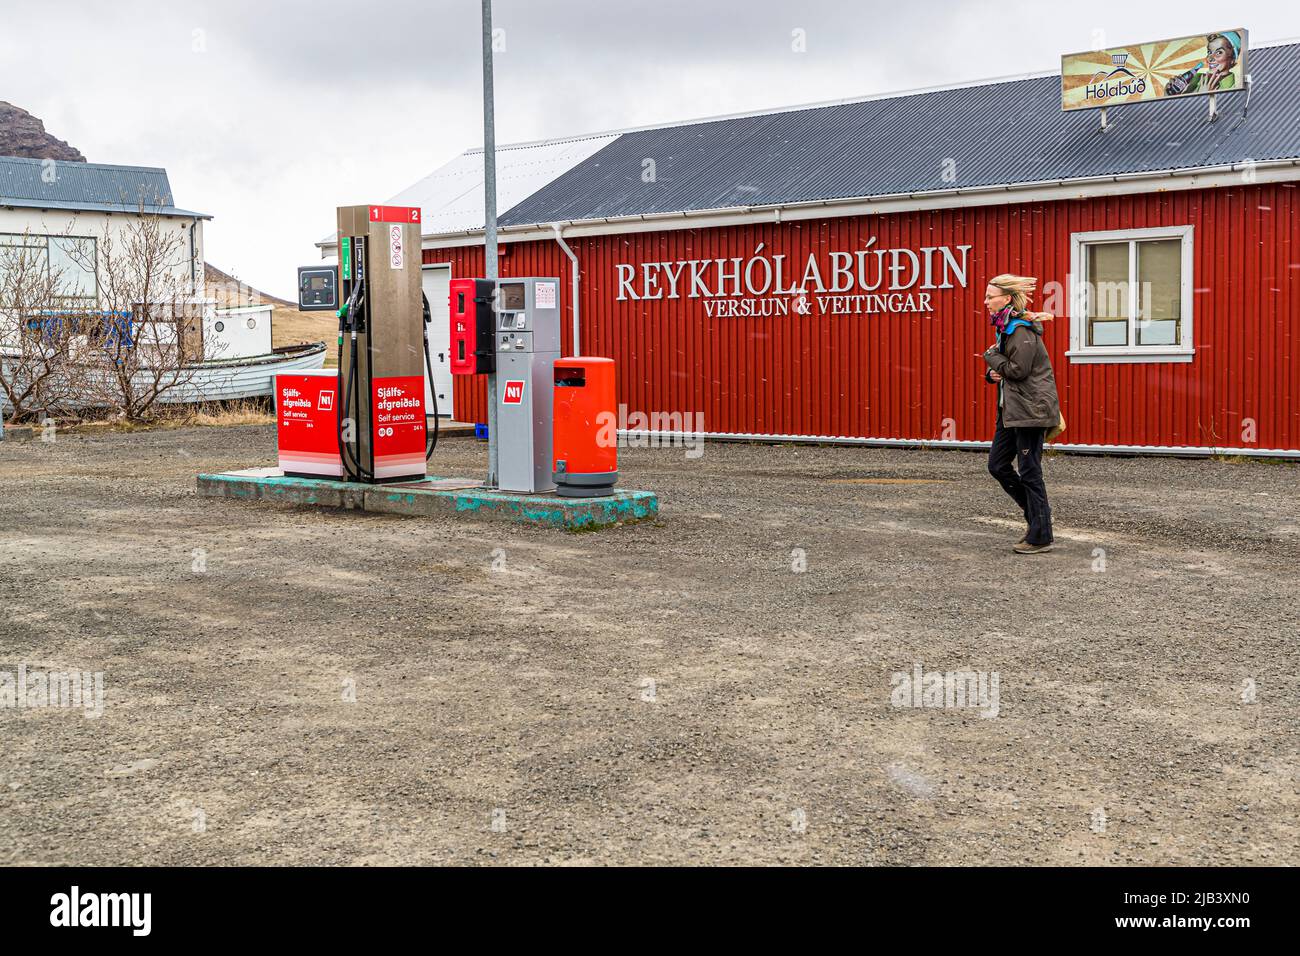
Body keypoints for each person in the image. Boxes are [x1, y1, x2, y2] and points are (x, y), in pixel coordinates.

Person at [981, 275, 1061, 554]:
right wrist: (992, 373)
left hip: (1030, 410)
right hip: (1011, 410)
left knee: (1030, 472)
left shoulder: (1020, 330)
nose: (986, 301)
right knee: (998, 465)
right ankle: (1038, 518)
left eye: (991, 296)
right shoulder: (1006, 328)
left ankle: (1041, 536)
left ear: (1007, 298)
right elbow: (1007, 370)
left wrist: (991, 357)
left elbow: (1019, 371)